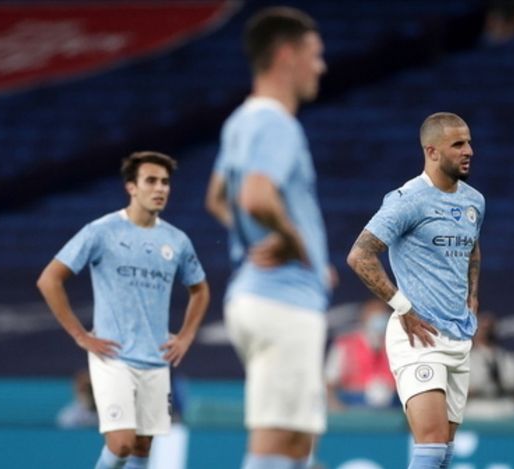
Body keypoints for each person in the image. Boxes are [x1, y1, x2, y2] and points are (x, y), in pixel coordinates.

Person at [204, 6, 331, 469]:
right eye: (315, 55)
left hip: (263, 298)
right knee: (279, 444)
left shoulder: (241, 121)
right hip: (282, 302)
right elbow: (256, 196)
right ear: (286, 56)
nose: (322, 66)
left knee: (298, 447)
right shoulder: (276, 122)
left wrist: (279, 243)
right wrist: (296, 244)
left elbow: (219, 198)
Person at [37, 151, 210, 469]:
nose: (161, 189)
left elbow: (200, 290)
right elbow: (49, 280)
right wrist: (80, 335)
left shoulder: (177, 241)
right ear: (131, 187)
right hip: (112, 355)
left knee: (143, 448)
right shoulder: (101, 232)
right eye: (151, 181)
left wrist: (185, 337)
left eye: (165, 182)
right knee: (122, 443)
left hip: (156, 358)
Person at [347, 112, 484, 469]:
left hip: (458, 337)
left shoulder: (474, 201)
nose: (468, 150)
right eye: (458, 144)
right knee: (432, 445)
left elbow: (472, 246)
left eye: (468, 141)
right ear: (432, 151)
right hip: (418, 336)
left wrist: (473, 294)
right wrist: (402, 307)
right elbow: (360, 255)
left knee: (444, 454)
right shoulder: (407, 199)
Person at [325, 299, 396, 410]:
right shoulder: (345, 344)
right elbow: (329, 382)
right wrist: (336, 408)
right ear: (364, 317)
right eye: (374, 314)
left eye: (382, 314)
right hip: (354, 407)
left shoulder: (396, 345)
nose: (379, 318)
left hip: (391, 409)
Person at [465, 312, 514, 419]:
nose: (486, 332)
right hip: (476, 410)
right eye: (482, 327)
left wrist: (507, 388)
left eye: (489, 328)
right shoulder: (464, 359)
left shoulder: (510, 359)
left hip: (507, 408)